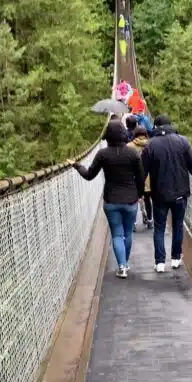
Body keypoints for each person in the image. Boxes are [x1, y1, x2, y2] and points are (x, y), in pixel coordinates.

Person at [70, 118, 144, 279]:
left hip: (111, 200)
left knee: (117, 234)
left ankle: (122, 266)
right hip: (131, 200)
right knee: (127, 234)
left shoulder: (102, 154)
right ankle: (126, 262)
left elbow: (89, 175)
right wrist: (140, 195)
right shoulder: (133, 153)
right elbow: (140, 177)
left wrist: (77, 165)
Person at [140, 114, 192, 273]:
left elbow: (142, 171)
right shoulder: (183, 141)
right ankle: (176, 259)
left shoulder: (150, 145)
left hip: (160, 194)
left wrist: (138, 190)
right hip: (180, 193)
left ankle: (160, 262)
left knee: (159, 228)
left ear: (155, 127)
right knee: (178, 225)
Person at [127, 124, 153, 228]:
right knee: (147, 200)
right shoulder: (151, 145)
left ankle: (133, 223)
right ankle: (150, 221)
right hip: (148, 179)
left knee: (133, 201)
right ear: (146, 134)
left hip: (133, 178)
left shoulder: (129, 146)